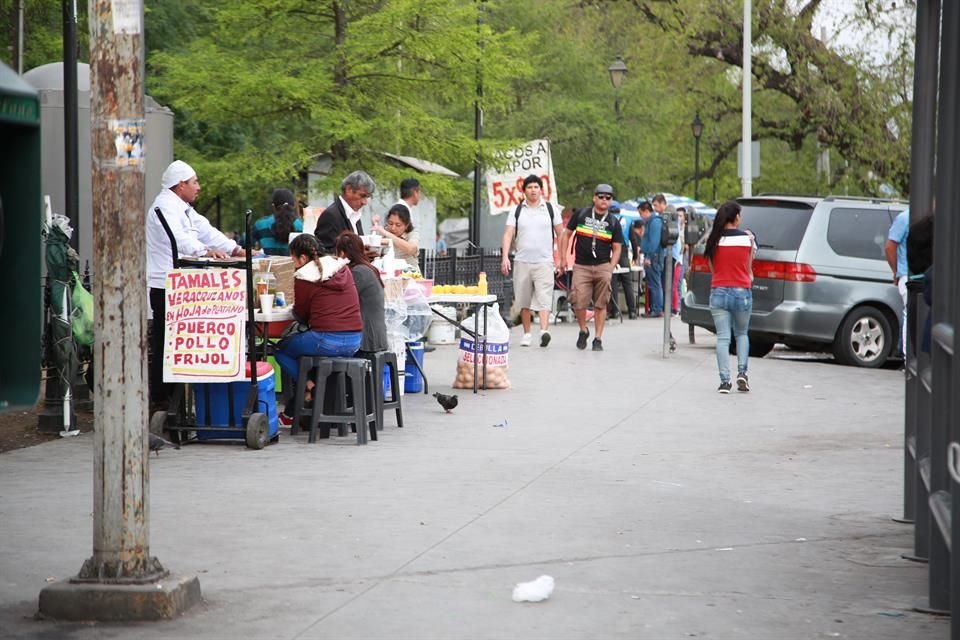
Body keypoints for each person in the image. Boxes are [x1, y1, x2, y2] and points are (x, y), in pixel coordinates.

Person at [146, 160, 245, 408]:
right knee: (167, 345)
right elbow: (179, 240)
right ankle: (162, 400)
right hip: (166, 286)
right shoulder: (163, 208)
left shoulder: (184, 209)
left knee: (180, 346)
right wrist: (206, 250)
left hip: (184, 286)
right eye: (194, 182)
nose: (198, 187)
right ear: (181, 186)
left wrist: (233, 248)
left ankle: (179, 401)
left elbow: (206, 230)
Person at [276, 234, 363, 425]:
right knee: (306, 353)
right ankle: (309, 391)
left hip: (325, 339)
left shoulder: (304, 276)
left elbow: (301, 315)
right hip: (355, 340)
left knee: (281, 350)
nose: (294, 264)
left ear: (303, 258)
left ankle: (310, 385)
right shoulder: (342, 267)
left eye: (294, 259)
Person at [500, 174, 564, 347]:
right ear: (524, 191)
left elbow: (561, 234)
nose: (533, 190)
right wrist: (505, 256)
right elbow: (508, 233)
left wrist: (561, 258)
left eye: (536, 187)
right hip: (522, 261)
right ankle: (527, 333)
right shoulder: (517, 210)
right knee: (524, 299)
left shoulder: (551, 209)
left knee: (544, 297)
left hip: (545, 261)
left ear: (541, 190)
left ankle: (544, 331)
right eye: (529, 187)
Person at [560, 183, 624, 352]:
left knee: (601, 304)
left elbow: (617, 247)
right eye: (601, 196)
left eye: (608, 198)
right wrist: (563, 258)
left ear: (611, 201)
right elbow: (566, 235)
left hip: (603, 265)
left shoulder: (613, 222)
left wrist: (610, 267)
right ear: (594, 198)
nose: (604, 200)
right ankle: (583, 330)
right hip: (581, 266)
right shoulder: (581, 214)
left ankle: (598, 338)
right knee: (578, 301)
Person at [704, 200, 756, 393]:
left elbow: (712, 268)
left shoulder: (713, 240)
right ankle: (742, 373)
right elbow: (749, 266)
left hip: (718, 291)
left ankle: (724, 381)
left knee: (723, 338)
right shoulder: (748, 239)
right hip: (741, 291)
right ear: (735, 218)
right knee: (741, 334)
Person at [335, 231, 388, 357]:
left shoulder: (358, 272)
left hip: (367, 339)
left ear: (342, 253)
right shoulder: (366, 268)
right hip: (371, 335)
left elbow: (339, 299)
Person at [313, 170, 376, 254]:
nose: (364, 202)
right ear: (349, 189)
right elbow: (324, 253)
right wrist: (358, 253)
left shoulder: (355, 215)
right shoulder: (331, 216)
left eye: (367, 197)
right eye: (362, 196)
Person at [884, 207, 910, 356]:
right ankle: (908, 358)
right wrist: (897, 271)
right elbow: (889, 247)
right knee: (910, 313)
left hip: (912, 273)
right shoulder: (905, 218)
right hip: (907, 273)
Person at [607, 205, 638, 320]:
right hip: (623, 251)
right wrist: (635, 255)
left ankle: (614, 312)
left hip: (610, 250)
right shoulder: (628, 220)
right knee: (627, 282)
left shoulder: (608, 219)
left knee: (613, 281)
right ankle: (632, 311)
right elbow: (633, 239)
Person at [252, 188, 304, 256]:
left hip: (267, 265)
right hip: (292, 266)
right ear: (293, 206)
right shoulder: (301, 226)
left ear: (273, 206)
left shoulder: (260, 225)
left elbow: (247, 245)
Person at [639, 194, 666, 318]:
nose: (641, 217)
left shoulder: (655, 222)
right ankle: (655, 307)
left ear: (646, 211)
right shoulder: (651, 222)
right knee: (653, 283)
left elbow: (654, 242)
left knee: (655, 283)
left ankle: (657, 308)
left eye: (641, 213)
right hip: (652, 256)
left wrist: (649, 256)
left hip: (654, 257)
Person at [373, 204, 421, 270]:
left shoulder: (412, 233)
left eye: (398, 225)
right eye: (390, 223)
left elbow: (411, 249)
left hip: (409, 275)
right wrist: (375, 224)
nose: (393, 228)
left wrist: (387, 234)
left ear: (406, 225)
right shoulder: (383, 232)